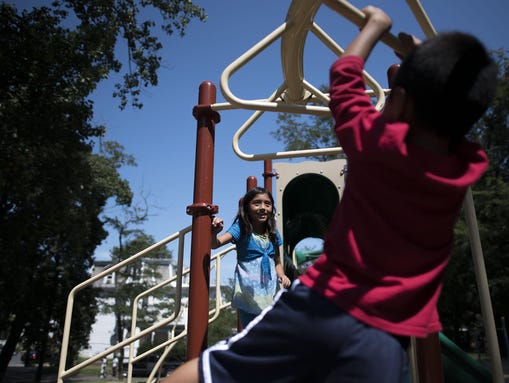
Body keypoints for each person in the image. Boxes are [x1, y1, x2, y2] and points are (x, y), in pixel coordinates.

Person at [162, 5, 497, 383]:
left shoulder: (376, 145)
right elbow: (455, 126)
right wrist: (423, 68)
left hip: (322, 307)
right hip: (388, 341)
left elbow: (343, 79)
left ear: (400, 102)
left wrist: (375, 26)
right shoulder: (462, 171)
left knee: (196, 376)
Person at [210, 186, 291, 328]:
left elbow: (276, 260)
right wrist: (214, 232)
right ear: (247, 208)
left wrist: (282, 275)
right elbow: (215, 244)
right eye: (256, 203)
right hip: (248, 293)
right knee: (252, 332)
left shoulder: (272, 232)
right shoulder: (241, 228)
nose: (263, 207)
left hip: (269, 291)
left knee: (270, 331)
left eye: (267, 204)